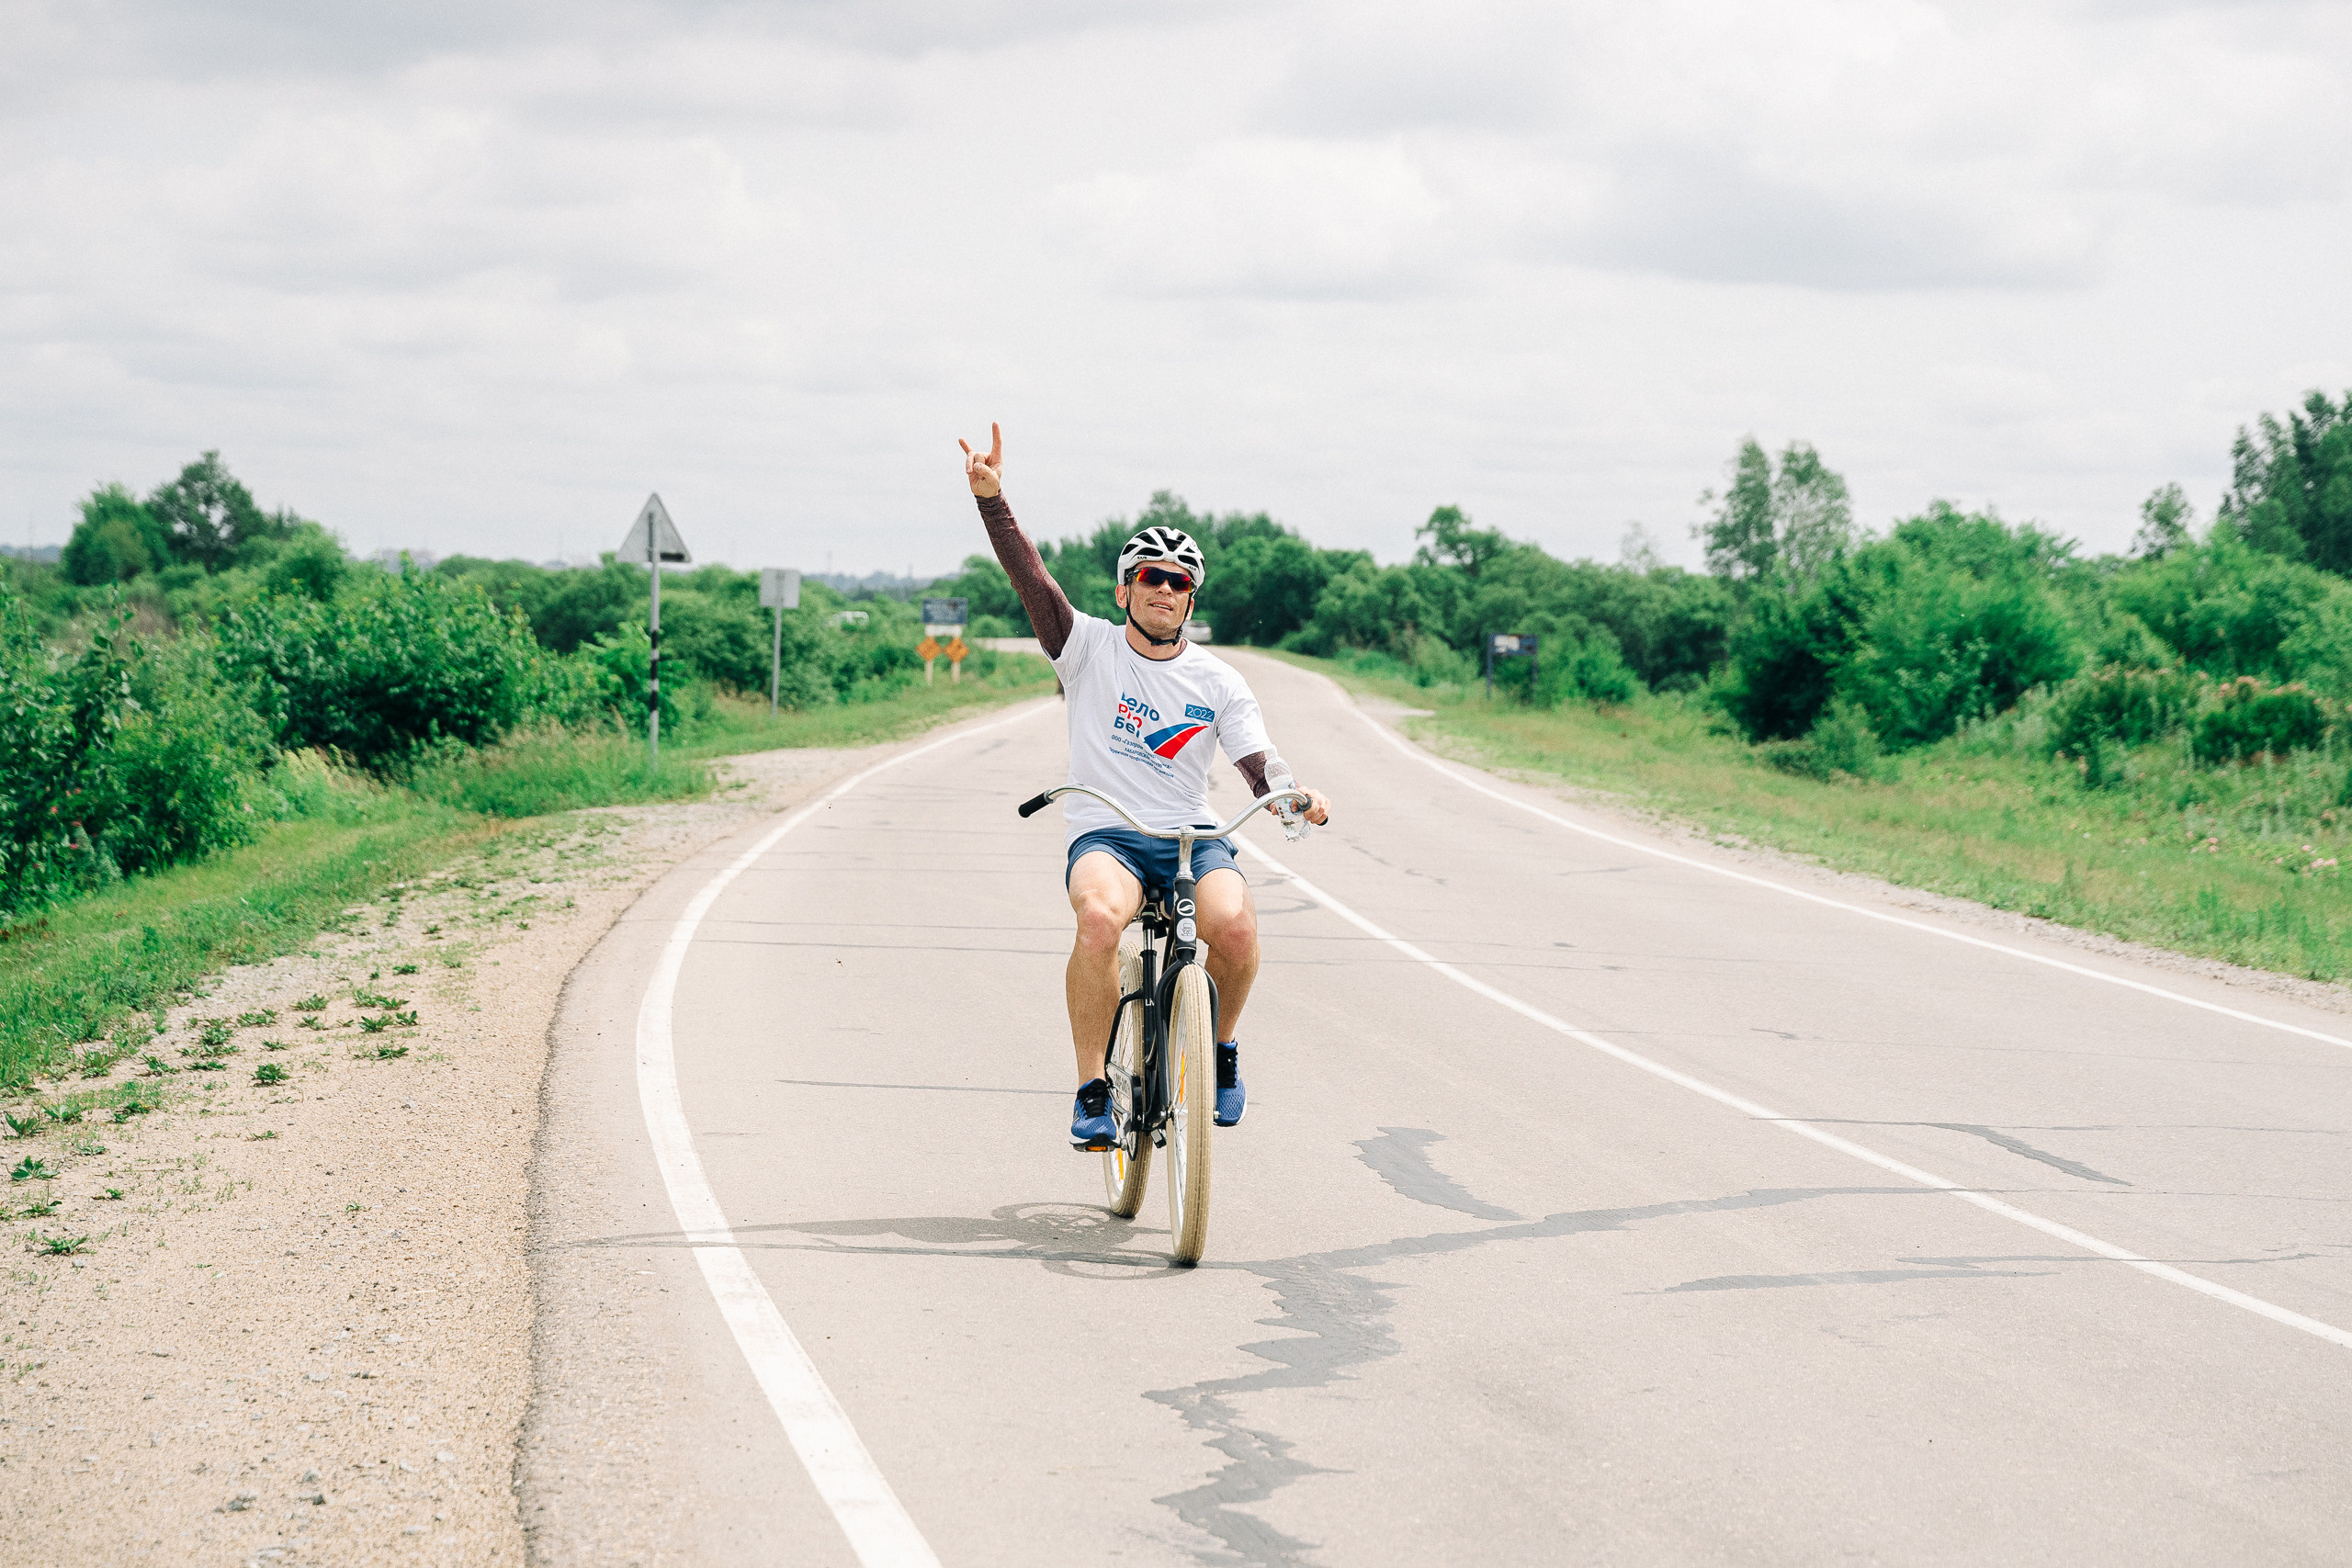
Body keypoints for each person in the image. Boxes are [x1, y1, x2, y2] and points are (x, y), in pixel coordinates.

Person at [958, 423, 1333, 1148]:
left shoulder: (1218, 679)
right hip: (1108, 831)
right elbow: (1030, 578)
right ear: (1127, 587)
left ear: (1191, 601)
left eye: (1180, 581)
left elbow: (1258, 762)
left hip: (1191, 837)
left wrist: (1289, 795)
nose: (1165, 589)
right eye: (1152, 576)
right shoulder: (1085, 646)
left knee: (1239, 926)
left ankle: (1220, 1052)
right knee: (1099, 919)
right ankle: (1093, 1088)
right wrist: (993, 501)